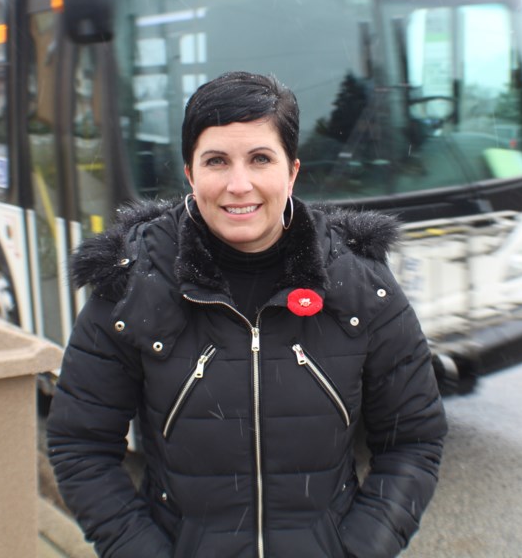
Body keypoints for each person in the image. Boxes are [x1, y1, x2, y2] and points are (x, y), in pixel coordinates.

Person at [47, 71, 447, 558]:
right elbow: (80, 447)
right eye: (217, 161)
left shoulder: (362, 288)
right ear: (191, 175)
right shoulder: (132, 287)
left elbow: (413, 440)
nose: (240, 185)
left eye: (260, 158)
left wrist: (360, 549)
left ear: (292, 171)